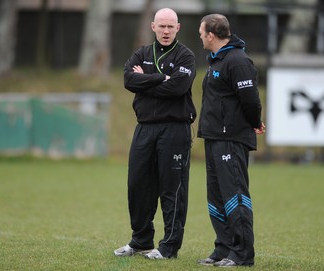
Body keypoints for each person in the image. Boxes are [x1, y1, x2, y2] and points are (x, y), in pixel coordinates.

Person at [114, 8, 197, 260]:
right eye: (161, 26)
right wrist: (161, 78)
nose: (165, 31)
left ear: (178, 28)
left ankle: (169, 247)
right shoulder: (141, 53)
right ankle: (140, 240)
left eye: (170, 26)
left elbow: (178, 87)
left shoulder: (186, 55)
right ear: (153, 27)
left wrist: (146, 81)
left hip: (174, 129)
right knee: (137, 184)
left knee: (172, 189)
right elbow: (129, 80)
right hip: (145, 128)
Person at [196, 14, 266, 267]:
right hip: (214, 137)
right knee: (216, 196)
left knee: (234, 194)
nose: (200, 36)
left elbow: (250, 100)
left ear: (211, 35)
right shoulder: (217, 60)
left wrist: (255, 122)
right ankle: (223, 248)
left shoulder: (237, 61)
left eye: (202, 32)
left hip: (231, 139)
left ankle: (243, 253)